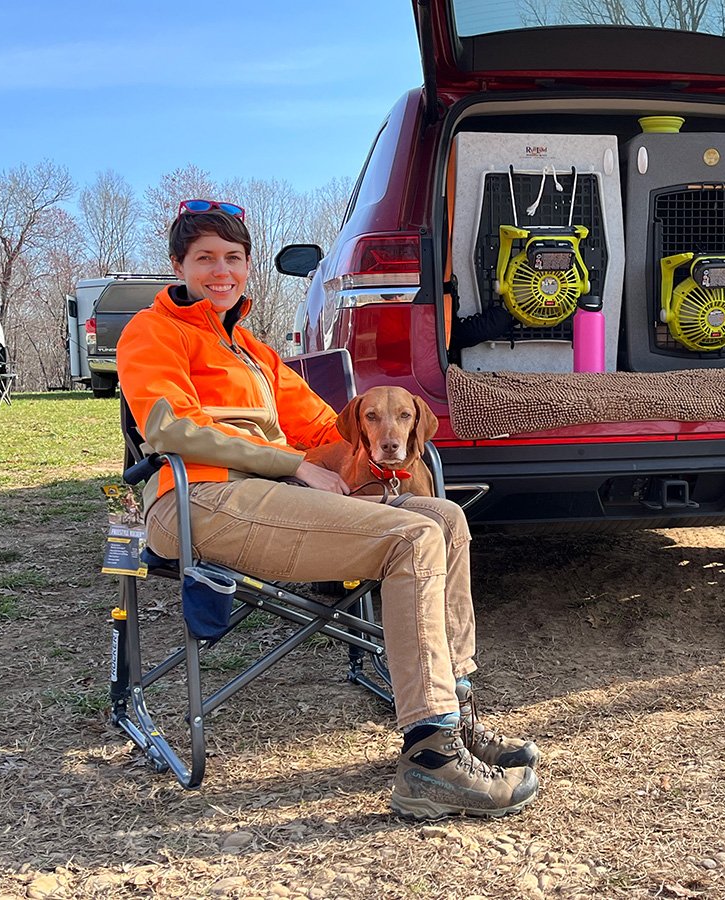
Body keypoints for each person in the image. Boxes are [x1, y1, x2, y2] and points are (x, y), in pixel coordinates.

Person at [117, 200, 539, 819]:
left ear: (249, 266)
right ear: (178, 264)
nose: (221, 270)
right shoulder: (153, 332)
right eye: (204, 258)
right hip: (198, 500)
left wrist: (388, 435)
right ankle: (431, 761)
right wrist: (294, 464)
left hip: (271, 501)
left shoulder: (254, 353)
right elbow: (170, 426)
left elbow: (325, 426)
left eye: (233, 257)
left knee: (445, 518)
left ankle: (456, 710)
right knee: (412, 538)